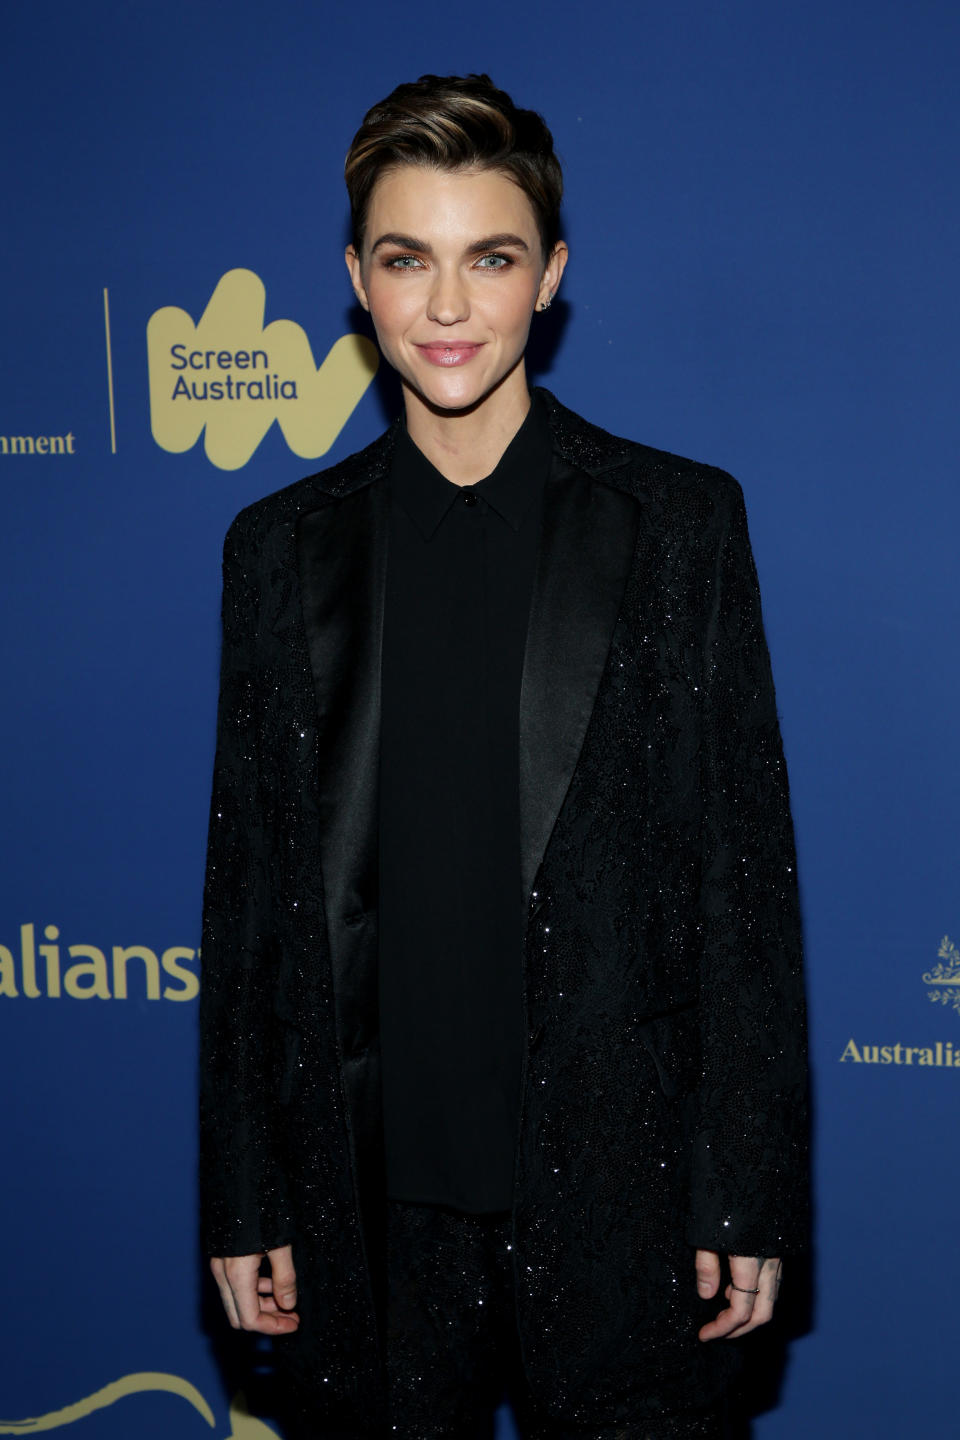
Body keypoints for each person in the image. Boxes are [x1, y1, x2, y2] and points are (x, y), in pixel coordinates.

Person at [199, 72, 808, 1440]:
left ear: (553, 276)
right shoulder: (277, 552)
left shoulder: (676, 524)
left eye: (493, 258)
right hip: (368, 1204)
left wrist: (747, 1188)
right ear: (357, 277)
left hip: (617, 1194)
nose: (451, 307)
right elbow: (246, 895)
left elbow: (742, 883)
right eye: (409, 260)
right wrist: (245, 1193)